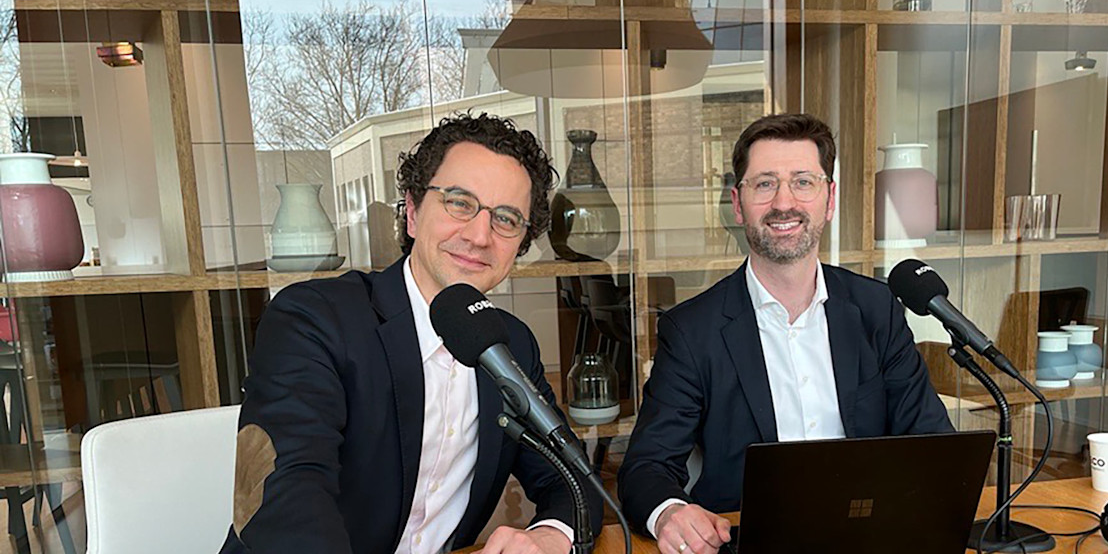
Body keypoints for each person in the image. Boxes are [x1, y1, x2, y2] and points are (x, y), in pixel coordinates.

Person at [220, 112, 600, 554]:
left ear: (521, 242)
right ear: (414, 213)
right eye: (459, 203)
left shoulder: (510, 344)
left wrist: (549, 537)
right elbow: (286, 500)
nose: (480, 235)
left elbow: (576, 481)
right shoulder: (314, 320)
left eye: (506, 218)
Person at [618, 113, 953, 554]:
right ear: (738, 204)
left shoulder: (877, 309)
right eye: (764, 184)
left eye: (802, 182)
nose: (783, 202)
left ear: (829, 200)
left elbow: (932, 441)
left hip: (869, 537)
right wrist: (670, 512)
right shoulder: (692, 330)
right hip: (745, 541)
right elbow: (646, 467)